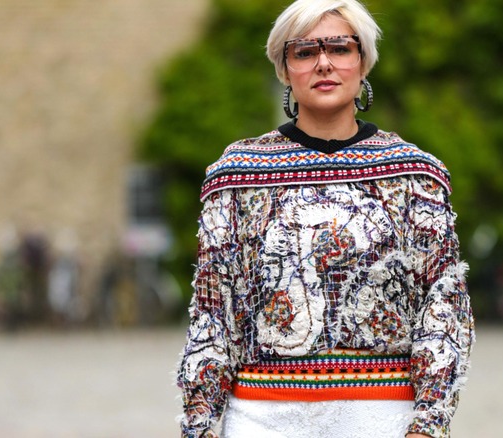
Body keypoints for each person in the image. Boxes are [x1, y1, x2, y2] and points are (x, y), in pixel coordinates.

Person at [176, 1, 474, 437]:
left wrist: (428, 426)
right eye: (303, 52)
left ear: (363, 60)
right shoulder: (236, 174)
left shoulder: (415, 174)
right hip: (263, 418)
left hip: (381, 418)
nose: (323, 63)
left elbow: (443, 304)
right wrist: (199, 426)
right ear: (284, 68)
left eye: (339, 47)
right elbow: (213, 313)